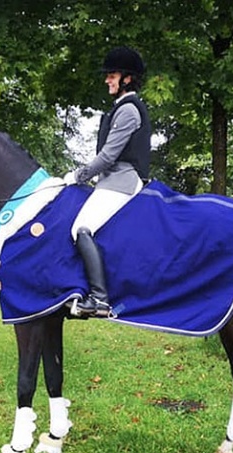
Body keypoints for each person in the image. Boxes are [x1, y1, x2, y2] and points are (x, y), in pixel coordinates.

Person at [69, 46, 152, 318]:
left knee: (81, 228)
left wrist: (77, 175)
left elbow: (107, 157)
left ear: (127, 78)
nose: (107, 80)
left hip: (121, 181)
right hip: (112, 180)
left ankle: (100, 299)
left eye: (112, 75)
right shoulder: (119, 108)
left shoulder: (129, 110)